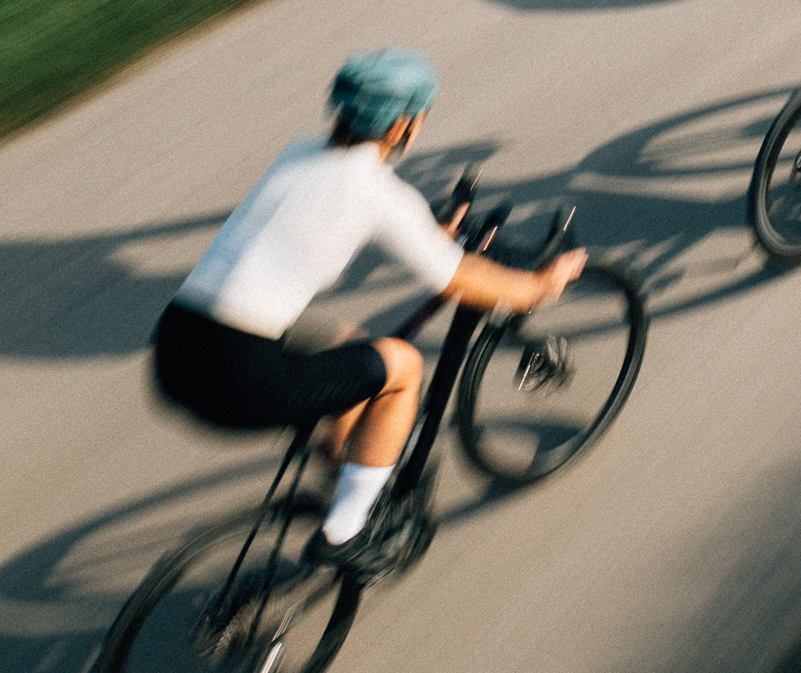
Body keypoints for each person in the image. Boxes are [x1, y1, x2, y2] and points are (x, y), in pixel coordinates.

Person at [151, 49, 586, 568]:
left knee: (348, 344)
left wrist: (429, 234)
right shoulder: (378, 193)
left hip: (176, 345)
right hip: (238, 375)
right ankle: (344, 531)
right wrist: (541, 286)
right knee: (403, 366)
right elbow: (459, 279)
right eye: (421, 116)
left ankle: (347, 465)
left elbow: (322, 222)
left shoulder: (299, 153)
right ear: (403, 124)